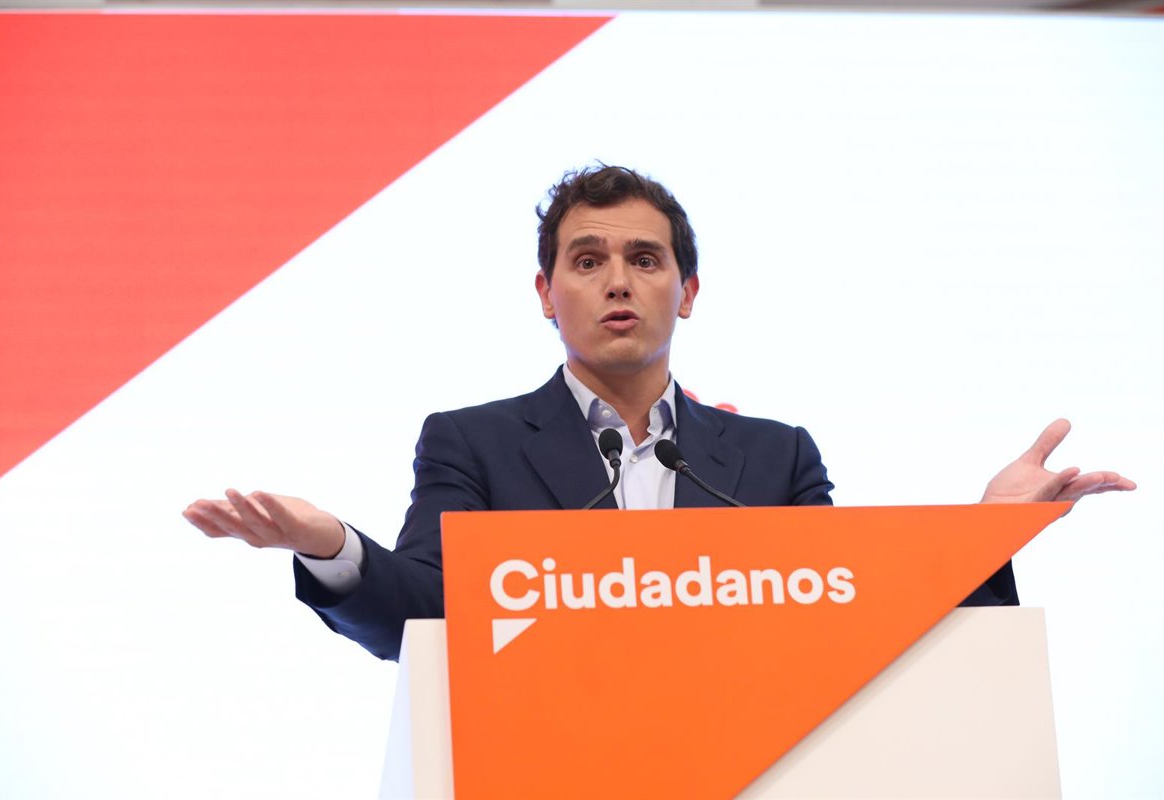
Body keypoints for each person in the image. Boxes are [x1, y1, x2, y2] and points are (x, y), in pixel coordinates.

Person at [183, 165, 1136, 662]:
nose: (617, 282)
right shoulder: (472, 442)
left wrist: (984, 534)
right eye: (586, 261)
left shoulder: (773, 458)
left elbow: (849, 623)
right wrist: (333, 548)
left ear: (688, 292)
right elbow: (422, 624)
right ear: (546, 295)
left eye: (645, 260)